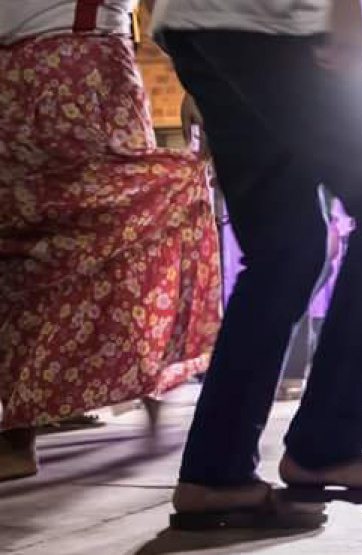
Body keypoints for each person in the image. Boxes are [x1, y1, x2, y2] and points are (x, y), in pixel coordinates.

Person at [152, 0, 362, 528]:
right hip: (279, 19)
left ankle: (215, 473)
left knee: (286, 250)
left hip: (199, 24)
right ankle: (329, 440)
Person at [0, 0, 221, 482]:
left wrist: (195, 78)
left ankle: (141, 388)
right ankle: (22, 429)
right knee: (24, 241)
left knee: (109, 223)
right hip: (34, 72)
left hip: (84, 66)